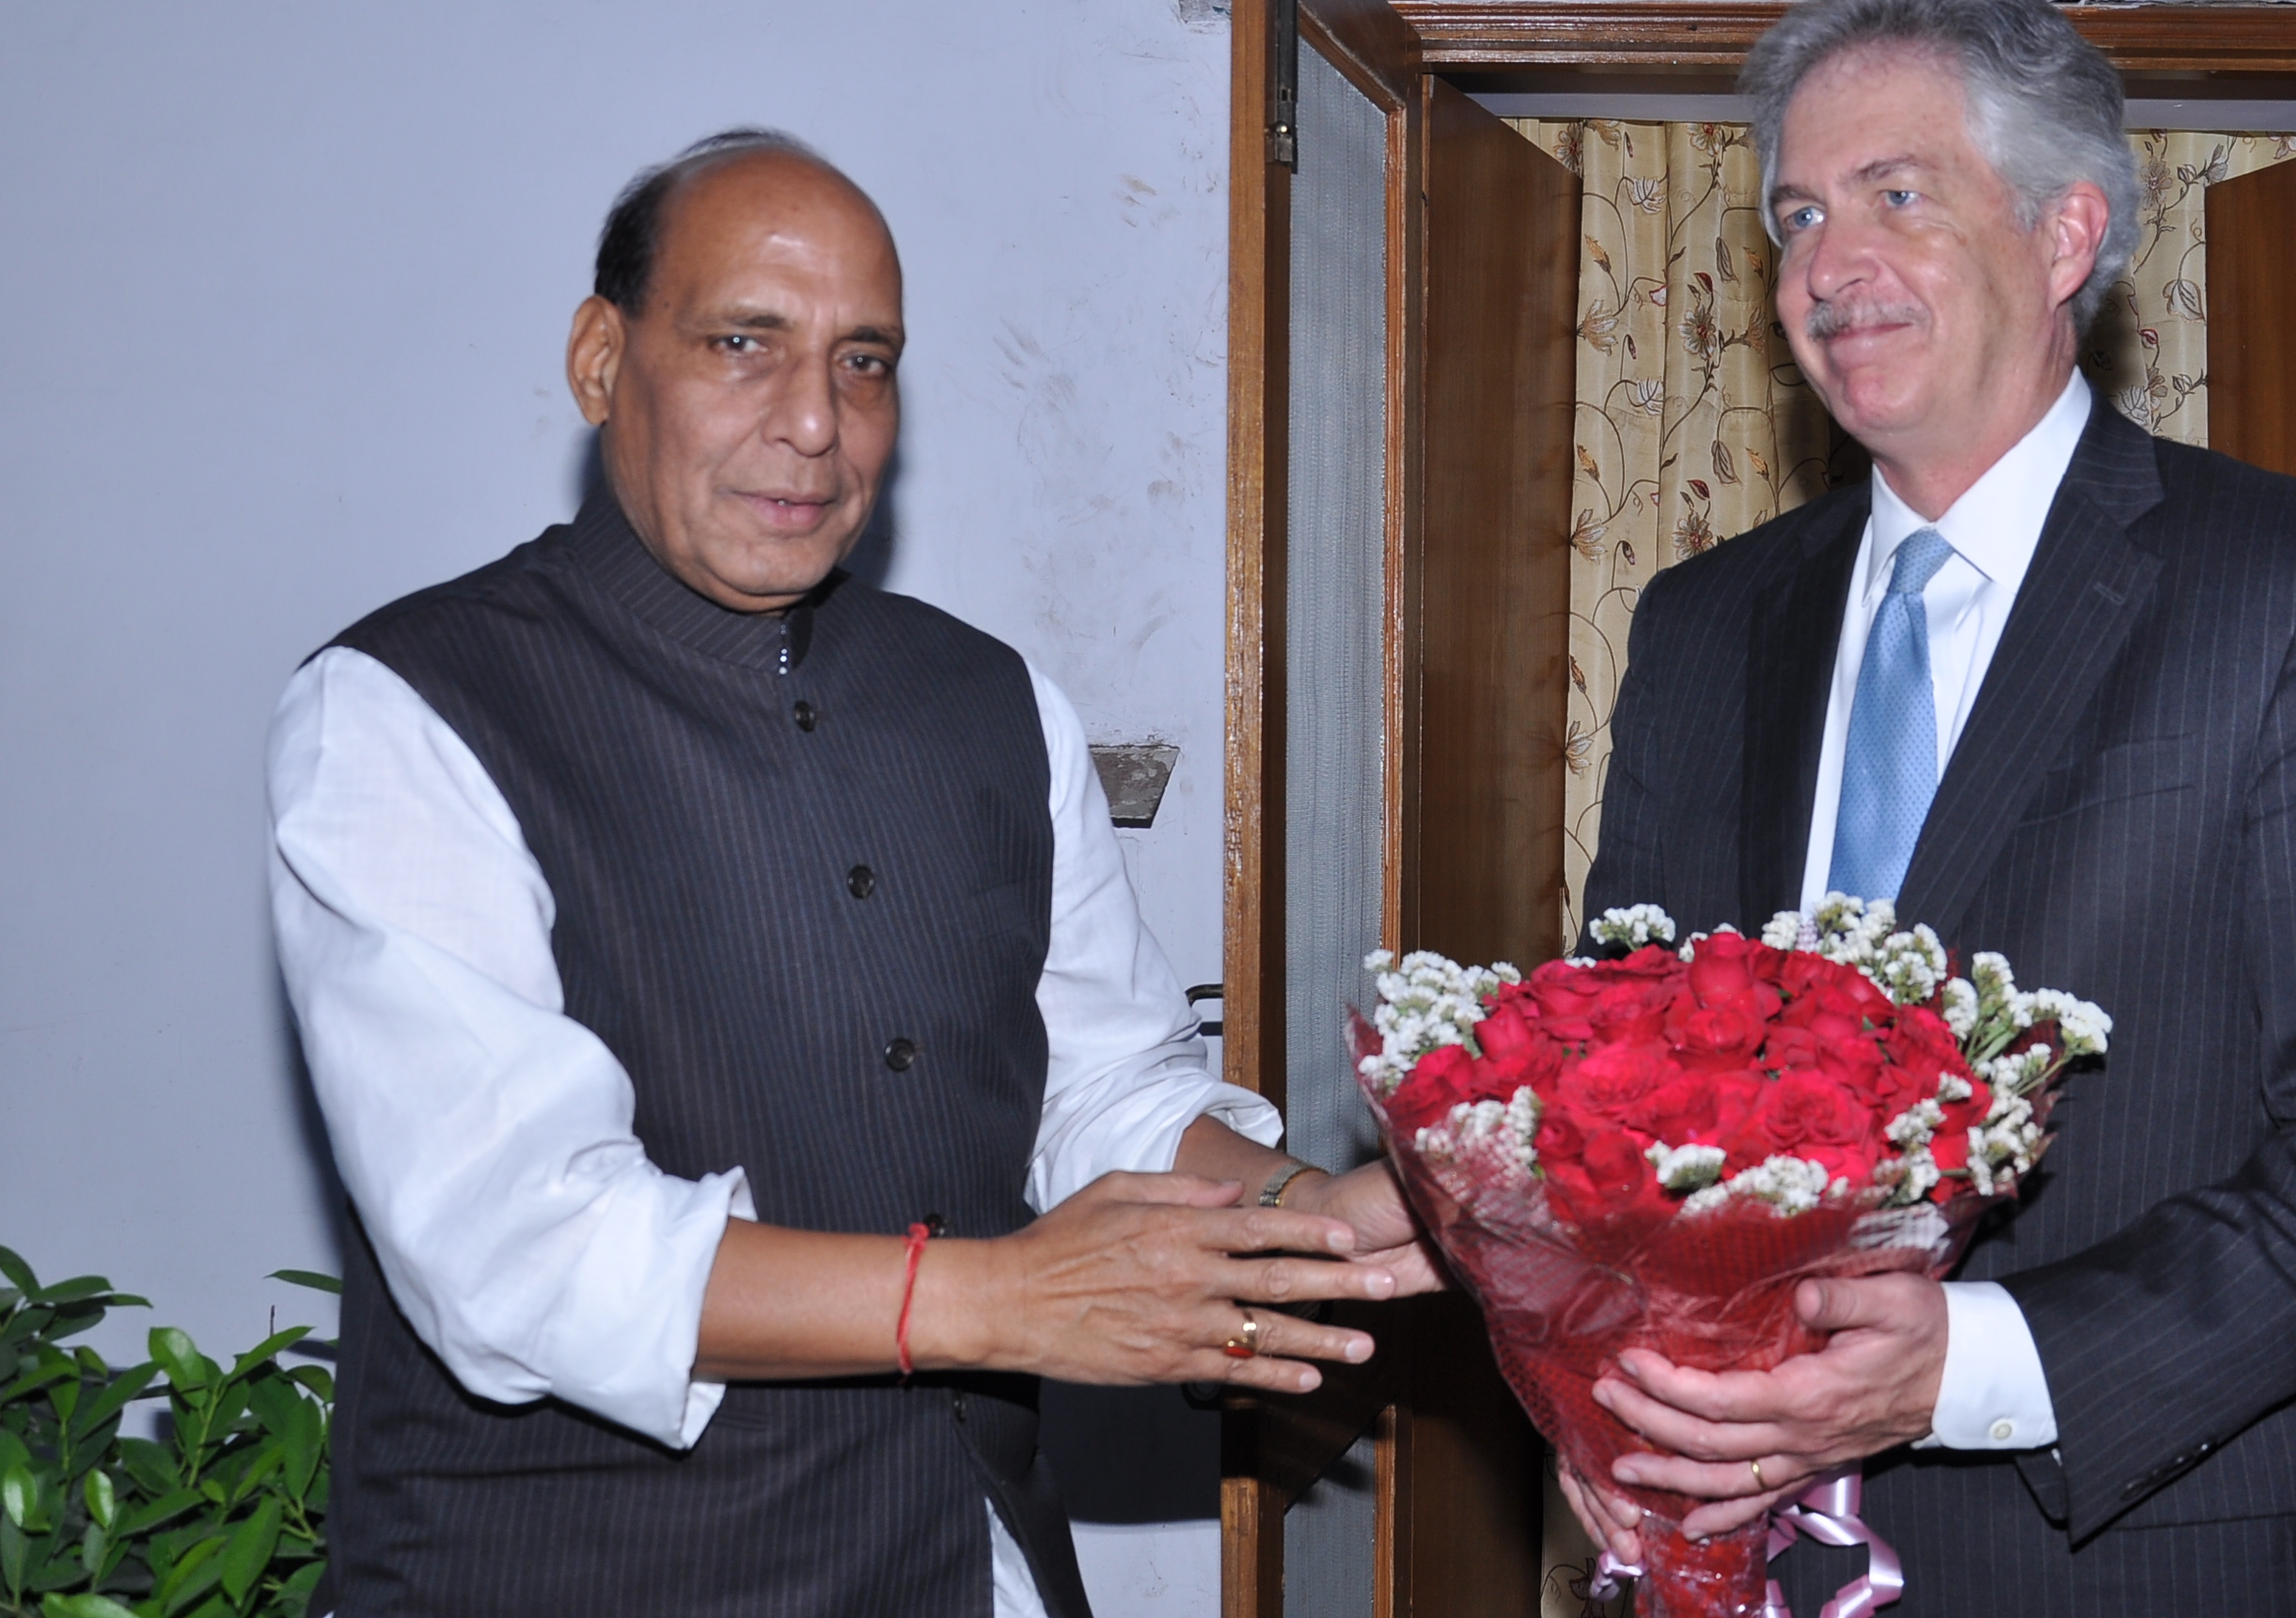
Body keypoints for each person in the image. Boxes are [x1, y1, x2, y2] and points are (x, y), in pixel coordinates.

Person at [270, 130, 1435, 1618]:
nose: (816, 422)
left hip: (970, 1564)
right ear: (600, 359)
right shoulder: (405, 709)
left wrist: (1306, 1220)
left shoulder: (991, 698)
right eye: (743, 344)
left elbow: (1099, 1090)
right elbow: (524, 1242)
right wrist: (1005, 1299)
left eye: (865, 360)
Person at [1565, 0, 2296, 1612]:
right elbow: (1617, 1087)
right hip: (1713, 1543)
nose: (1826, 265)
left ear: (2067, 235)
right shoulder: (1705, 624)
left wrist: (1968, 1366)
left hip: (2131, 1553)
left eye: (1897, 195)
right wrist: (1606, 1389)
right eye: (1797, 212)